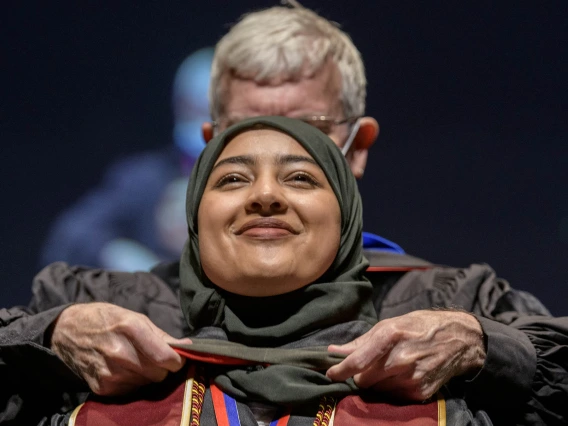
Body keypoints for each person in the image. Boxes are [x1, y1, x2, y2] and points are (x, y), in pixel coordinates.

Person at [0, 4, 566, 425]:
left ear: (356, 148)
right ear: (204, 155)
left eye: (308, 142)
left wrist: (484, 348)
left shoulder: (454, 305)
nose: (267, 186)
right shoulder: (103, 308)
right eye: (239, 144)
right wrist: (47, 337)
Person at [67, 117, 485, 425]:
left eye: (300, 178)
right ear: (193, 218)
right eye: (232, 179)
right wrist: (51, 335)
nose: (265, 195)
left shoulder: (436, 391)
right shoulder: (96, 388)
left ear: (346, 219)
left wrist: (481, 343)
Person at [39, 47, 214, 272]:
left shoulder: (258, 179)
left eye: (212, 110)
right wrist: (121, 254)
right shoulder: (147, 176)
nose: (204, 121)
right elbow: (71, 234)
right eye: (193, 108)